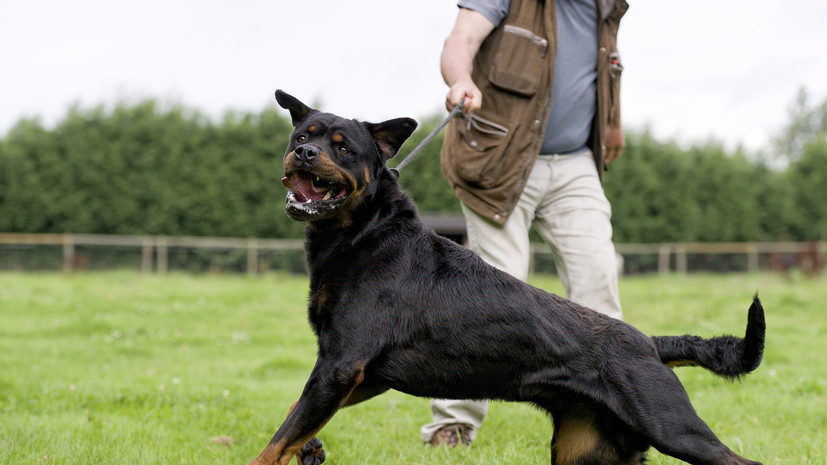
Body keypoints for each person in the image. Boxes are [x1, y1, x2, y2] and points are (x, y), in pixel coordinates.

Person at [421, 0, 629, 447]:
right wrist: (460, 78)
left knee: (598, 278)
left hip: (575, 163)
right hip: (499, 159)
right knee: (491, 294)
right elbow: (461, 39)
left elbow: (603, 70)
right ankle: (453, 424)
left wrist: (612, 125)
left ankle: (607, 421)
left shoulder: (608, 6)